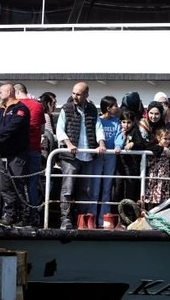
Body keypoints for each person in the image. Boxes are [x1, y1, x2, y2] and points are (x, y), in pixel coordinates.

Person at [55, 82, 100, 230]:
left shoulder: (92, 110)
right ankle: (65, 219)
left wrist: (102, 143)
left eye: (78, 94)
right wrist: (68, 144)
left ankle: (81, 219)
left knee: (85, 190)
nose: (74, 96)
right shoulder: (66, 108)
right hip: (70, 156)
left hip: (88, 155)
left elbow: (98, 127)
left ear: (86, 95)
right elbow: (60, 129)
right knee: (67, 189)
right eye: (73, 93)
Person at [0, 83, 30, 227]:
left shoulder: (21, 109)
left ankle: (25, 216)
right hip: (2, 153)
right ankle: (10, 215)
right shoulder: (0, 110)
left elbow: (13, 126)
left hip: (17, 154)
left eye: (0, 92)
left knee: (18, 184)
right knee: (5, 187)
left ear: (9, 92)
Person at [14, 83, 46, 225]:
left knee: (18, 184)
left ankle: (21, 216)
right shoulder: (38, 106)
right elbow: (43, 130)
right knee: (32, 185)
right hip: (35, 149)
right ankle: (32, 216)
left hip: (20, 150)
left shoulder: (16, 105)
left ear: (16, 92)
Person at [88, 96, 120, 228]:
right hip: (98, 156)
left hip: (111, 155)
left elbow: (119, 137)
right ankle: (92, 218)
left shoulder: (117, 122)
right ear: (108, 108)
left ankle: (103, 219)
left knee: (107, 188)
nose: (117, 108)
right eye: (115, 105)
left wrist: (118, 146)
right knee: (94, 188)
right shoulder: (98, 120)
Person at [143, 127, 170, 209]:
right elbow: (150, 160)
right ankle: (149, 212)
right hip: (154, 177)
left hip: (165, 177)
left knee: (162, 198)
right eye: (165, 139)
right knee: (152, 197)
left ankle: (160, 214)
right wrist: (163, 150)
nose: (167, 141)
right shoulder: (155, 148)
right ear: (158, 138)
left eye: (169, 139)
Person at [113, 110, 145, 205]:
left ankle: (129, 214)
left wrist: (133, 143)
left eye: (128, 122)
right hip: (120, 164)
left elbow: (141, 144)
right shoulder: (119, 131)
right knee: (118, 188)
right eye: (124, 122)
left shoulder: (135, 131)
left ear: (133, 122)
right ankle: (117, 213)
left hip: (131, 165)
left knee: (130, 189)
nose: (126, 125)